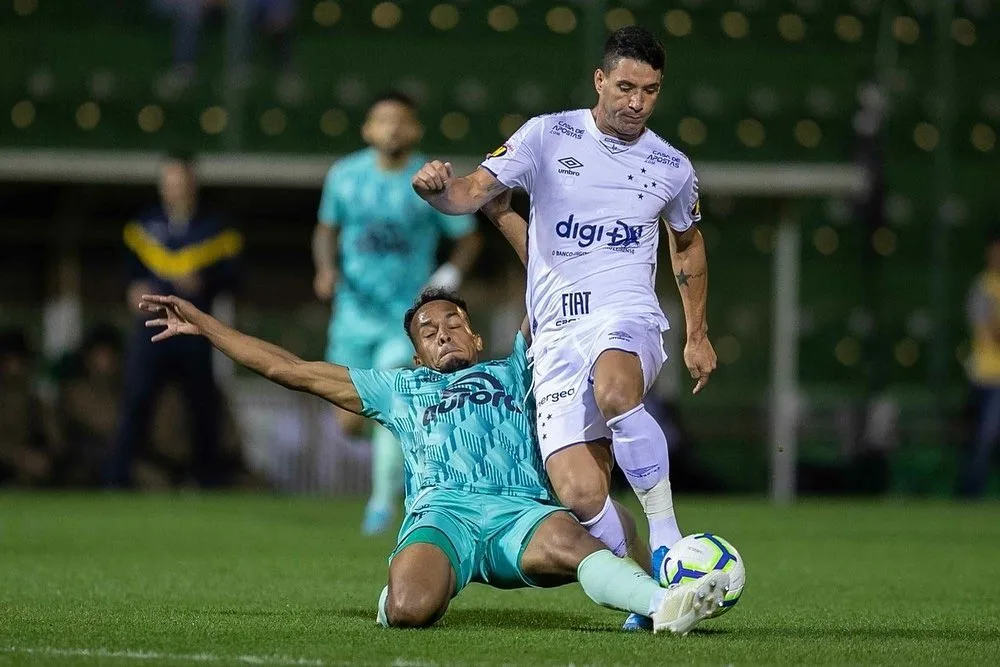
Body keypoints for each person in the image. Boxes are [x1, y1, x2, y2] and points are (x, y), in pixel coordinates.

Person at [137, 284, 729, 634]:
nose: (443, 333)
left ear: (476, 338)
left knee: (578, 543)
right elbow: (289, 370)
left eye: (454, 324)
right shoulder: (402, 388)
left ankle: (664, 605)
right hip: (440, 517)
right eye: (428, 330)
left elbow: (547, 280)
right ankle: (402, 587)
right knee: (409, 612)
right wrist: (209, 328)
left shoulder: (519, 367)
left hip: (519, 514)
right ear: (418, 353)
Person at [411, 26, 715, 630]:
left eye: (650, 91)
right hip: (554, 334)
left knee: (616, 390)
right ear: (600, 81)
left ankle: (666, 541)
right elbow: (471, 192)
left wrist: (697, 333)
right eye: (625, 87)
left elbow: (687, 246)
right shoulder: (547, 135)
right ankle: (650, 598)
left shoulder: (672, 166)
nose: (636, 102)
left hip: (625, 313)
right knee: (579, 496)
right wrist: (438, 191)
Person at [312, 91, 482, 534]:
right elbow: (325, 231)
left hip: (406, 320)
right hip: (352, 314)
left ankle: (382, 503)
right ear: (367, 129)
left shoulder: (427, 178)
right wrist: (326, 269)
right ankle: (407, 444)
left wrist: (448, 276)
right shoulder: (345, 176)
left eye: (400, 121)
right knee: (348, 422)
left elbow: (468, 236)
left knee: (394, 393)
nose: (392, 128)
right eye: (382, 120)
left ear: (415, 129)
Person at [104, 152, 241, 488]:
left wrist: (205, 282)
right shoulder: (142, 227)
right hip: (151, 329)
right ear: (162, 186)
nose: (176, 188)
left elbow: (236, 277)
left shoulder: (217, 229)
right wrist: (132, 289)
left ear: (194, 184)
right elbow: (127, 273)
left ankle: (207, 479)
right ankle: (118, 478)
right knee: (137, 399)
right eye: (170, 182)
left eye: (183, 182)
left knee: (202, 404)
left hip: (195, 330)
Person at [957, 230, 1000, 497]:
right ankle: (969, 496)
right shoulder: (983, 287)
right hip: (987, 376)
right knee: (982, 440)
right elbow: (991, 333)